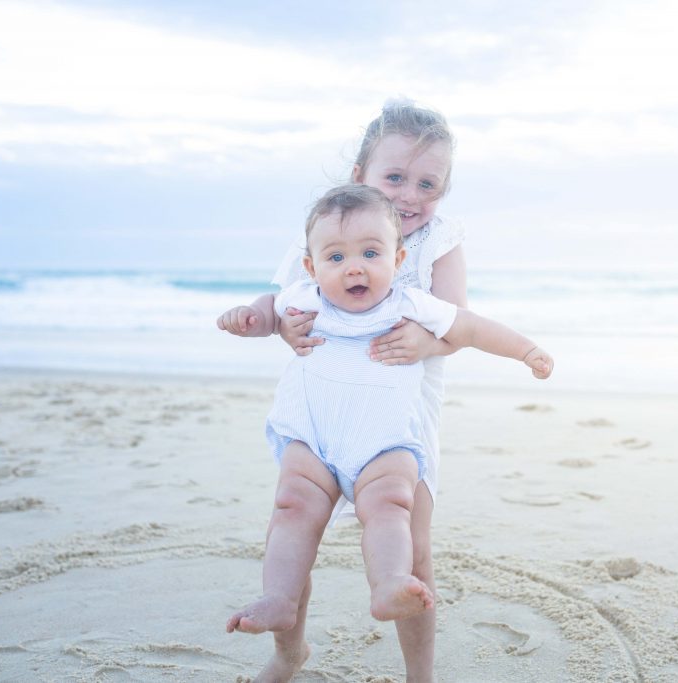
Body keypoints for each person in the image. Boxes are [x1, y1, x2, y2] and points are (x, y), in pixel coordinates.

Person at [220, 184, 553, 682]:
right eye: (336, 256)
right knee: (292, 507)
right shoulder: (304, 297)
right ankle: (280, 597)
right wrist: (250, 318)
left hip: (383, 441)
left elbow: (472, 328)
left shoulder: (411, 304)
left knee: (391, 505)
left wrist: (526, 351)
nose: (355, 266)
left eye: (371, 253)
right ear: (311, 268)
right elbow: (269, 309)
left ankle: (390, 581)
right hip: (313, 435)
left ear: (397, 259)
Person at [220, 99, 468, 681]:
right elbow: (288, 305)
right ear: (361, 174)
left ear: (444, 189)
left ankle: (419, 674)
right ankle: (288, 653)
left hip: (400, 409)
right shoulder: (328, 229)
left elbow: (458, 326)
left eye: (428, 183)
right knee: (294, 521)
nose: (410, 194)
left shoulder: (439, 240)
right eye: (395, 177)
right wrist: (276, 326)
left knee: (410, 540)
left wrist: (426, 343)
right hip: (325, 404)